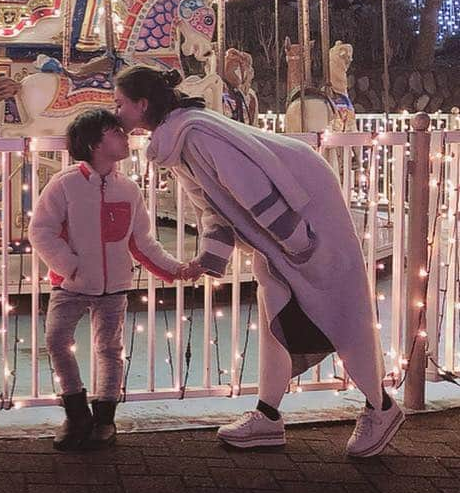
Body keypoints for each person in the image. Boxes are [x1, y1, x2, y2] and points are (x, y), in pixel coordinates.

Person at [113, 66, 404, 458]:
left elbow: (250, 189)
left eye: (120, 104)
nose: (116, 111)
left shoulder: (193, 133)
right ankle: (268, 415)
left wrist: (297, 244)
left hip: (306, 218)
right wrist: (209, 260)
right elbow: (213, 206)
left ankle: (381, 406)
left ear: (142, 104)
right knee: (277, 311)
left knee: (337, 310)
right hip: (283, 232)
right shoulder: (179, 139)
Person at [30, 107, 193, 452]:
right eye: (115, 132)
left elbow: (142, 240)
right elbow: (41, 230)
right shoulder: (64, 184)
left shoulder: (129, 190)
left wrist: (175, 268)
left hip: (114, 285)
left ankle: (104, 417)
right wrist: (68, 264)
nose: (125, 137)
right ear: (93, 143)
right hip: (70, 284)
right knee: (57, 339)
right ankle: (75, 412)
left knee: (109, 349)